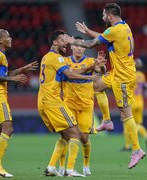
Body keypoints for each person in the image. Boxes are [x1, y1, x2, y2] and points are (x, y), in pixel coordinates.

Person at [65, 3, 146, 169]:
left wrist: (72, 41)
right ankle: (107, 120)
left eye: (104, 15)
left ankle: (137, 150)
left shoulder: (113, 30)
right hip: (117, 73)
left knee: (125, 114)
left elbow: (91, 44)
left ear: (110, 16)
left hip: (123, 77)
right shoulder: (124, 27)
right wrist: (88, 32)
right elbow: (105, 36)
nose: (103, 18)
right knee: (95, 85)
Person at [38, 30, 103, 177]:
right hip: (54, 101)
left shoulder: (46, 57)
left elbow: (68, 75)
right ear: (55, 42)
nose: (65, 43)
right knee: (75, 133)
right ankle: (69, 169)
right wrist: (90, 78)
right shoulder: (59, 58)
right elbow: (70, 74)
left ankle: (51, 167)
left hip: (44, 101)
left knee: (66, 136)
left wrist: (95, 68)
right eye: (62, 40)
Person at [0, 29, 38, 177]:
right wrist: (12, 80)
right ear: (0, 40)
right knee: (8, 129)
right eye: (7, 36)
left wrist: (22, 69)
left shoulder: (0, 55)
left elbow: (3, 74)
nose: (10, 38)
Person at [57, 36, 109, 176]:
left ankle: (86, 165)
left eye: (82, 46)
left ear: (84, 48)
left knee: (84, 137)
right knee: (67, 136)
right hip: (69, 104)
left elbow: (102, 72)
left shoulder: (91, 61)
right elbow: (69, 75)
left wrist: (102, 65)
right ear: (72, 47)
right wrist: (91, 67)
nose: (79, 48)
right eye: (77, 45)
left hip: (86, 104)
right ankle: (63, 167)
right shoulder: (65, 61)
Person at [121, 58, 147, 151]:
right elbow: (145, 86)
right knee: (138, 123)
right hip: (140, 102)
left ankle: (127, 146)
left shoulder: (131, 74)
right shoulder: (142, 75)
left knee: (127, 123)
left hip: (131, 102)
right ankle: (146, 136)